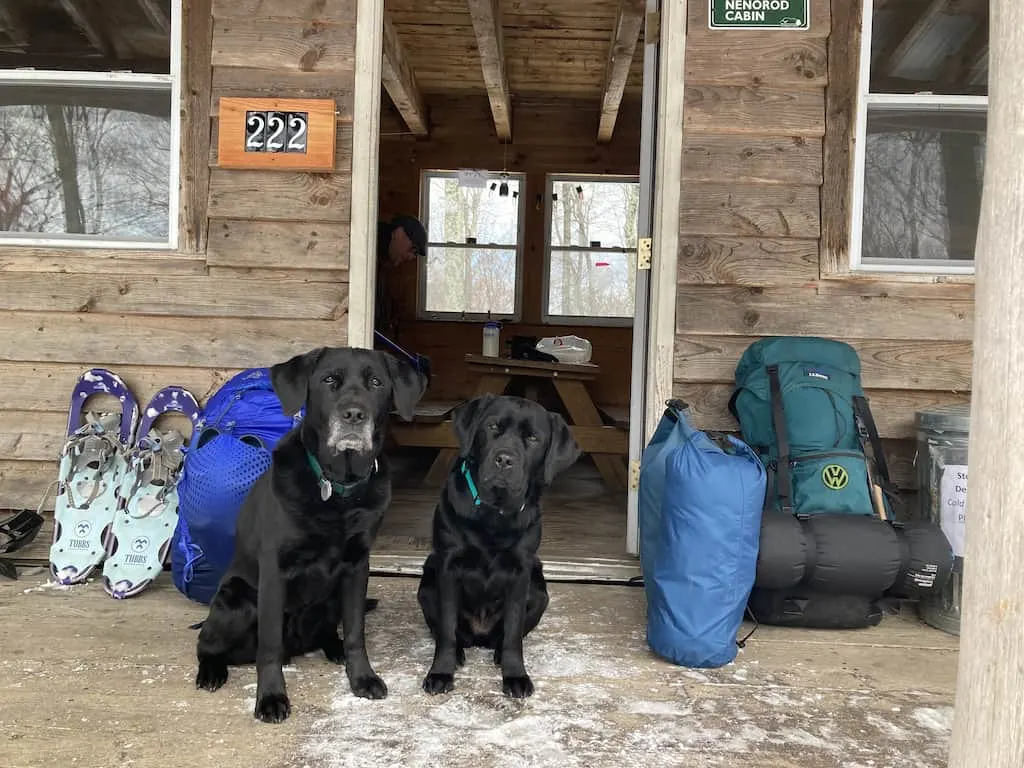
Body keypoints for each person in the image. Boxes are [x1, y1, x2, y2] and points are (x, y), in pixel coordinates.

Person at [375, 214, 427, 339]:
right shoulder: (366, 246)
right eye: (412, 250)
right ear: (399, 233)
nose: (410, 258)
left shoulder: (381, 263)